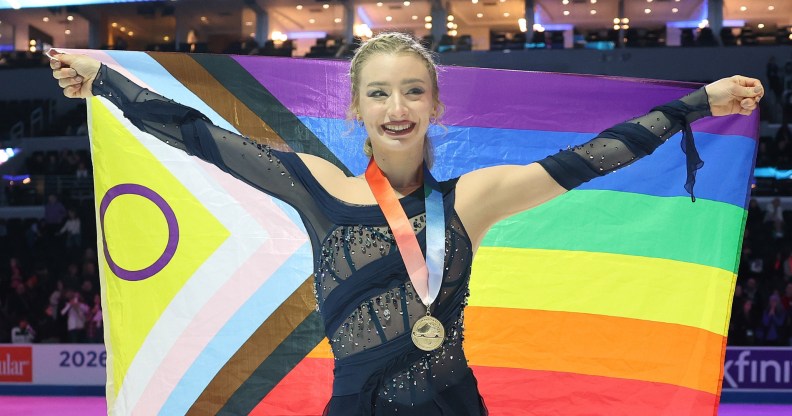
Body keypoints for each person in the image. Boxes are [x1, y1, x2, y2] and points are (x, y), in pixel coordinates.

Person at [48, 33, 762, 415]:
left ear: (434, 106)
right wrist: (105, 80)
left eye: (413, 91)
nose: (397, 106)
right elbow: (200, 135)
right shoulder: (316, 184)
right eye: (380, 92)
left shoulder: (473, 200)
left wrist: (700, 101)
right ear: (356, 108)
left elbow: (590, 159)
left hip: (451, 404)